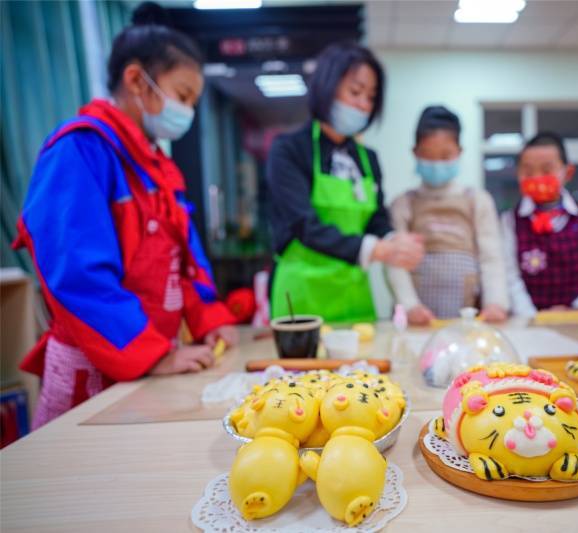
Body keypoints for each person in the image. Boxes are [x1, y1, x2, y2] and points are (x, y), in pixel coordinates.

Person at [13, 3, 238, 428]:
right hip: (96, 366)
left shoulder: (159, 170)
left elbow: (186, 261)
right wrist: (155, 353)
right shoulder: (80, 150)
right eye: (183, 96)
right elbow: (77, 275)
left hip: (153, 363)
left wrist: (210, 320)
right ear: (137, 80)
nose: (187, 111)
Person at [265, 42, 423, 323]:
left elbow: (375, 218)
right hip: (303, 298)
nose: (363, 105)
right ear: (327, 86)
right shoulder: (289, 150)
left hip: (354, 295)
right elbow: (303, 225)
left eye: (371, 97)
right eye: (355, 92)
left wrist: (394, 240)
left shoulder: (367, 158)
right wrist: (376, 249)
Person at [387, 106, 508, 325]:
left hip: (470, 316)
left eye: (445, 155)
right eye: (428, 155)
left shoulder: (477, 200)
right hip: (419, 319)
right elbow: (395, 262)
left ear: (459, 152)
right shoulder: (403, 203)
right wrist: (410, 306)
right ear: (415, 152)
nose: (436, 163)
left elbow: (491, 258)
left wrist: (495, 303)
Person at [501, 132, 578, 317]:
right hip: (527, 324)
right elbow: (509, 276)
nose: (537, 178)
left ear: (568, 172)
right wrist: (532, 316)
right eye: (528, 171)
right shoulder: (510, 222)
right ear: (518, 174)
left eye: (547, 170)